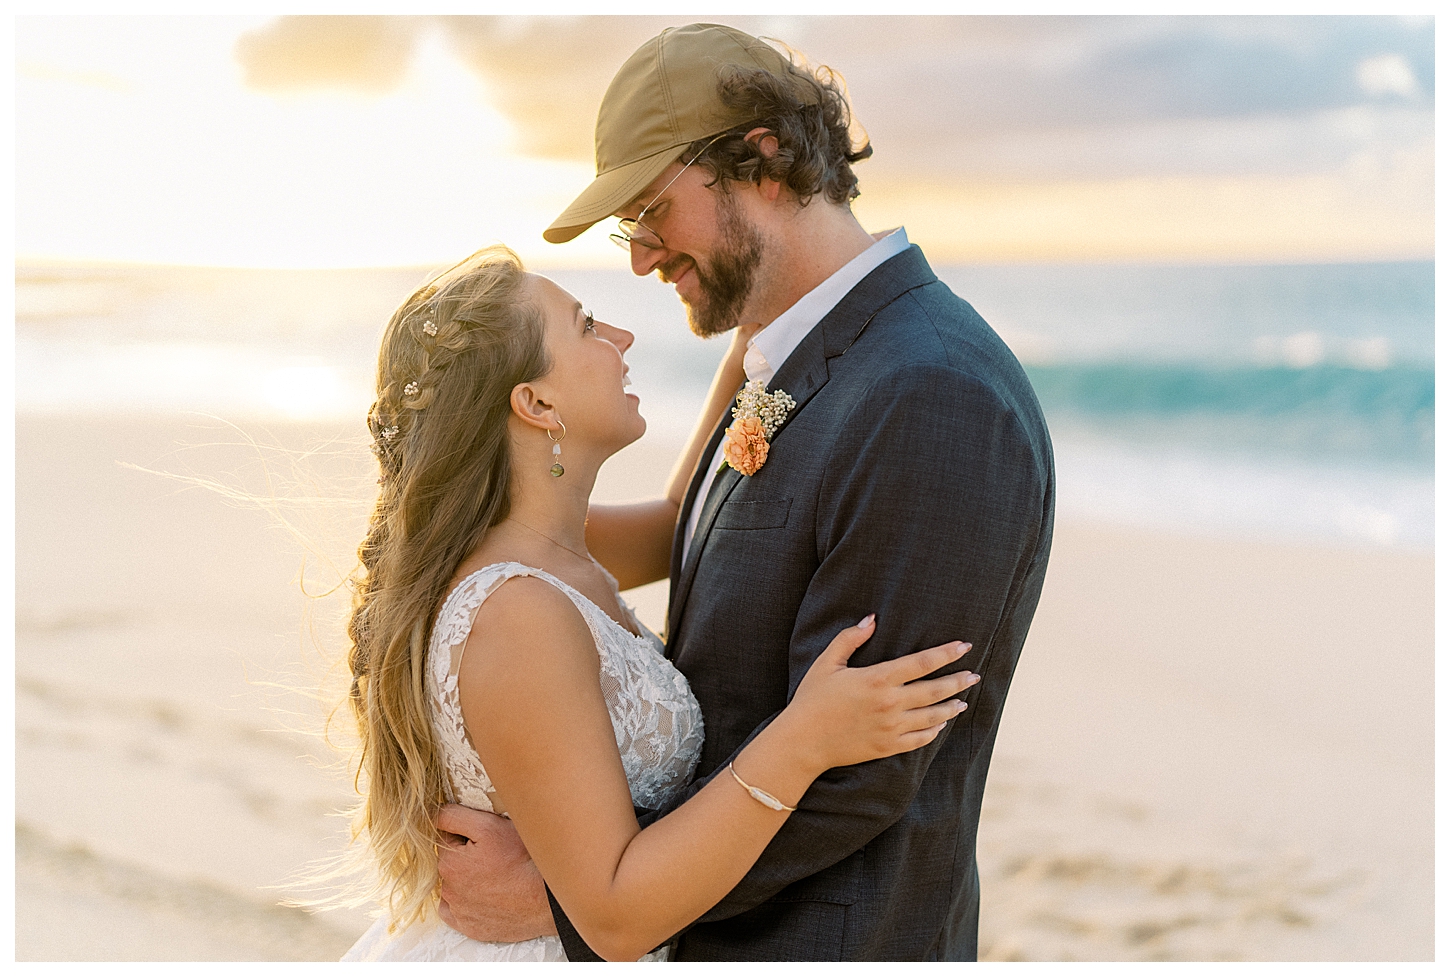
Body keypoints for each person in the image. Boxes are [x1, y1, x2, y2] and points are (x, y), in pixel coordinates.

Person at [432, 24, 1055, 962]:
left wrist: (575, 895)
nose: (641, 256)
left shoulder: (932, 392)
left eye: (652, 210)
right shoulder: (795, 362)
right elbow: (684, 549)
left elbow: (865, 771)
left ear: (760, 158)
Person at [336, 245, 979, 962]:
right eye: (584, 327)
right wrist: (807, 738)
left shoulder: (558, 548)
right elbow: (613, 914)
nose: (621, 338)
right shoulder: (517, 614)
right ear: (536, 403)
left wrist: (766, 331)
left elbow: (685, 513)